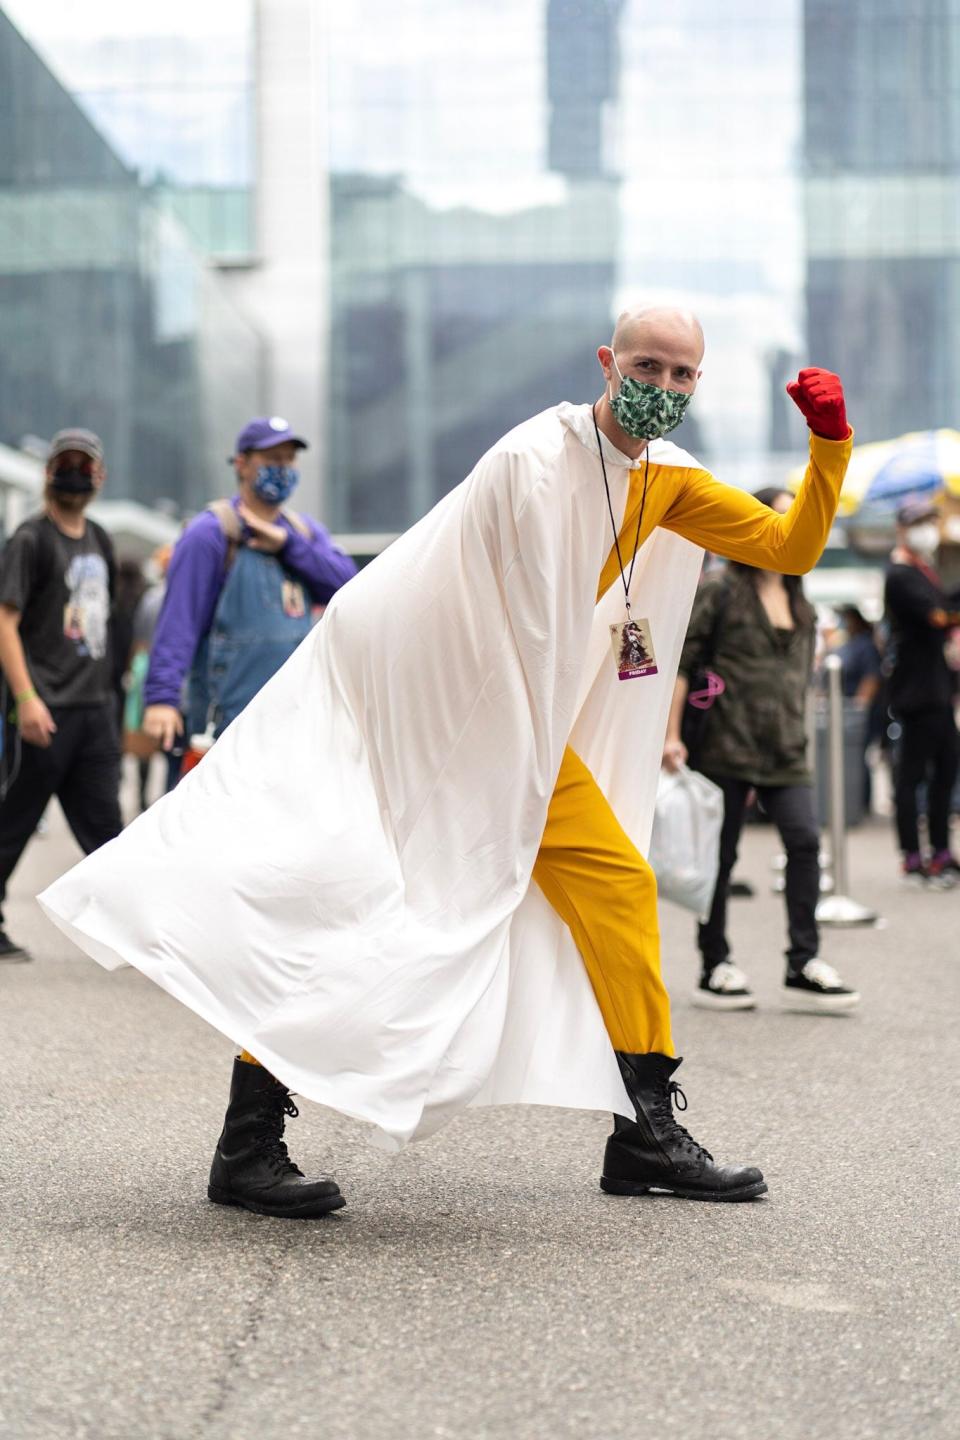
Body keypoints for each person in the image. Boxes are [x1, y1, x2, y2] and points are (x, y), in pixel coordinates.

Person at [40, 311, 853, 1218]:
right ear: (605, 362)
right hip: (421, 712)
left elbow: (791, 550)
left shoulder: (665, 480)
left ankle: (643, 1131)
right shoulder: (532, 461)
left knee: (618, 882)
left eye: (681, 376)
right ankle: (247, 1144)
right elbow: (519, 620)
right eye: (645, 366)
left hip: (515, 732)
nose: (661, 388)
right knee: (354, 899)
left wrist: (829, 447)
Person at [664, 488, 860, 1014]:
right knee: (721, 857)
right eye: (780, 515)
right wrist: (671, 733)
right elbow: (683, 663)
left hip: (785, 748)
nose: (791, 524)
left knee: (803, 843)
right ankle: (715, 963)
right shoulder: (722, 589)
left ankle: (803, 962)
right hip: (726, 740)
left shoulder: (801, 599)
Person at [142, 416, 357, 766]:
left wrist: (288, 546)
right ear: (241, 464)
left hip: (295, 722)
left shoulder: (303, 532)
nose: (283, 468)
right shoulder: (210, 533)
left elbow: (348, 586)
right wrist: (162, 698)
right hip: (226, 723)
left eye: (289, 460)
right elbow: (179, 622)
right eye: (272, 460)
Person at [0, 429, 122, 961]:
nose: (74, 472)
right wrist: (26, 698)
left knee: (109, 833)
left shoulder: (100, 537)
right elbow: (4, 622)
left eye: (84, 464)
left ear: (99, 477)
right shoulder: (29, 539)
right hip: (43, 710)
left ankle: (132, 933)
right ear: (49, 472)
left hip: (95, 711)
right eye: (65, 463)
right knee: (12, 823)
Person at [884, 496, 960, 887]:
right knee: (912, 776)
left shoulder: (923, 570)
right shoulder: (900, 575)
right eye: (920, 522)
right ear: (902, 528)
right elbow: (937, 617)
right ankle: (913, 856)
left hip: (937, 688)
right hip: (916, 693)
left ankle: (941, 853)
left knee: (946, 770)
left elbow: (945, 609)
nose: (927, 529)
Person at [835, 604, 884, 814]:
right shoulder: (851, 643)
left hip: (860, 711)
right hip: (846, 706)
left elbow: (871, 677)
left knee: (860, 758)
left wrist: (859, 705)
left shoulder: (865, 646)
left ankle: (862, 804)